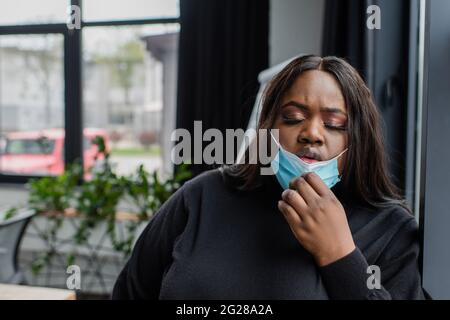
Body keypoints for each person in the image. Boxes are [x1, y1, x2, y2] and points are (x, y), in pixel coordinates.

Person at [112, 55, 425, 300]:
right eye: (293, 118)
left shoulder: (391, 228)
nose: (312, 133)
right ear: (268, 127)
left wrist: (339, 254)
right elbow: (130, 292)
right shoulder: (202, 197)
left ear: (357, 139)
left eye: (333, 124)